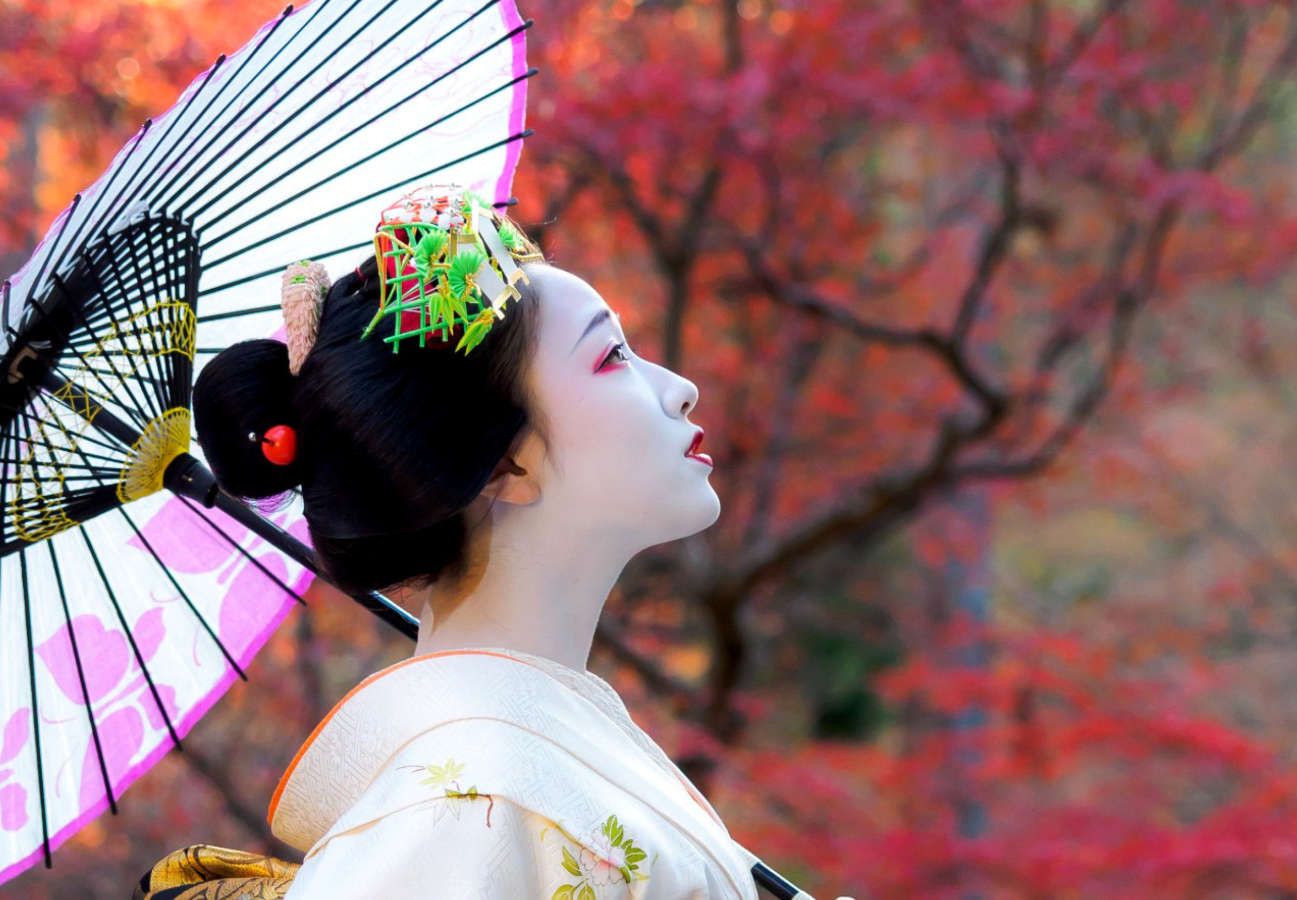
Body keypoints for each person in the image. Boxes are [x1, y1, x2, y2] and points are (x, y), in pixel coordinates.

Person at [132, 185, 825, 900]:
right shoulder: (470, 807)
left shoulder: (506, 772)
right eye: (612, 356)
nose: (679, 388)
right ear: (505, 462)